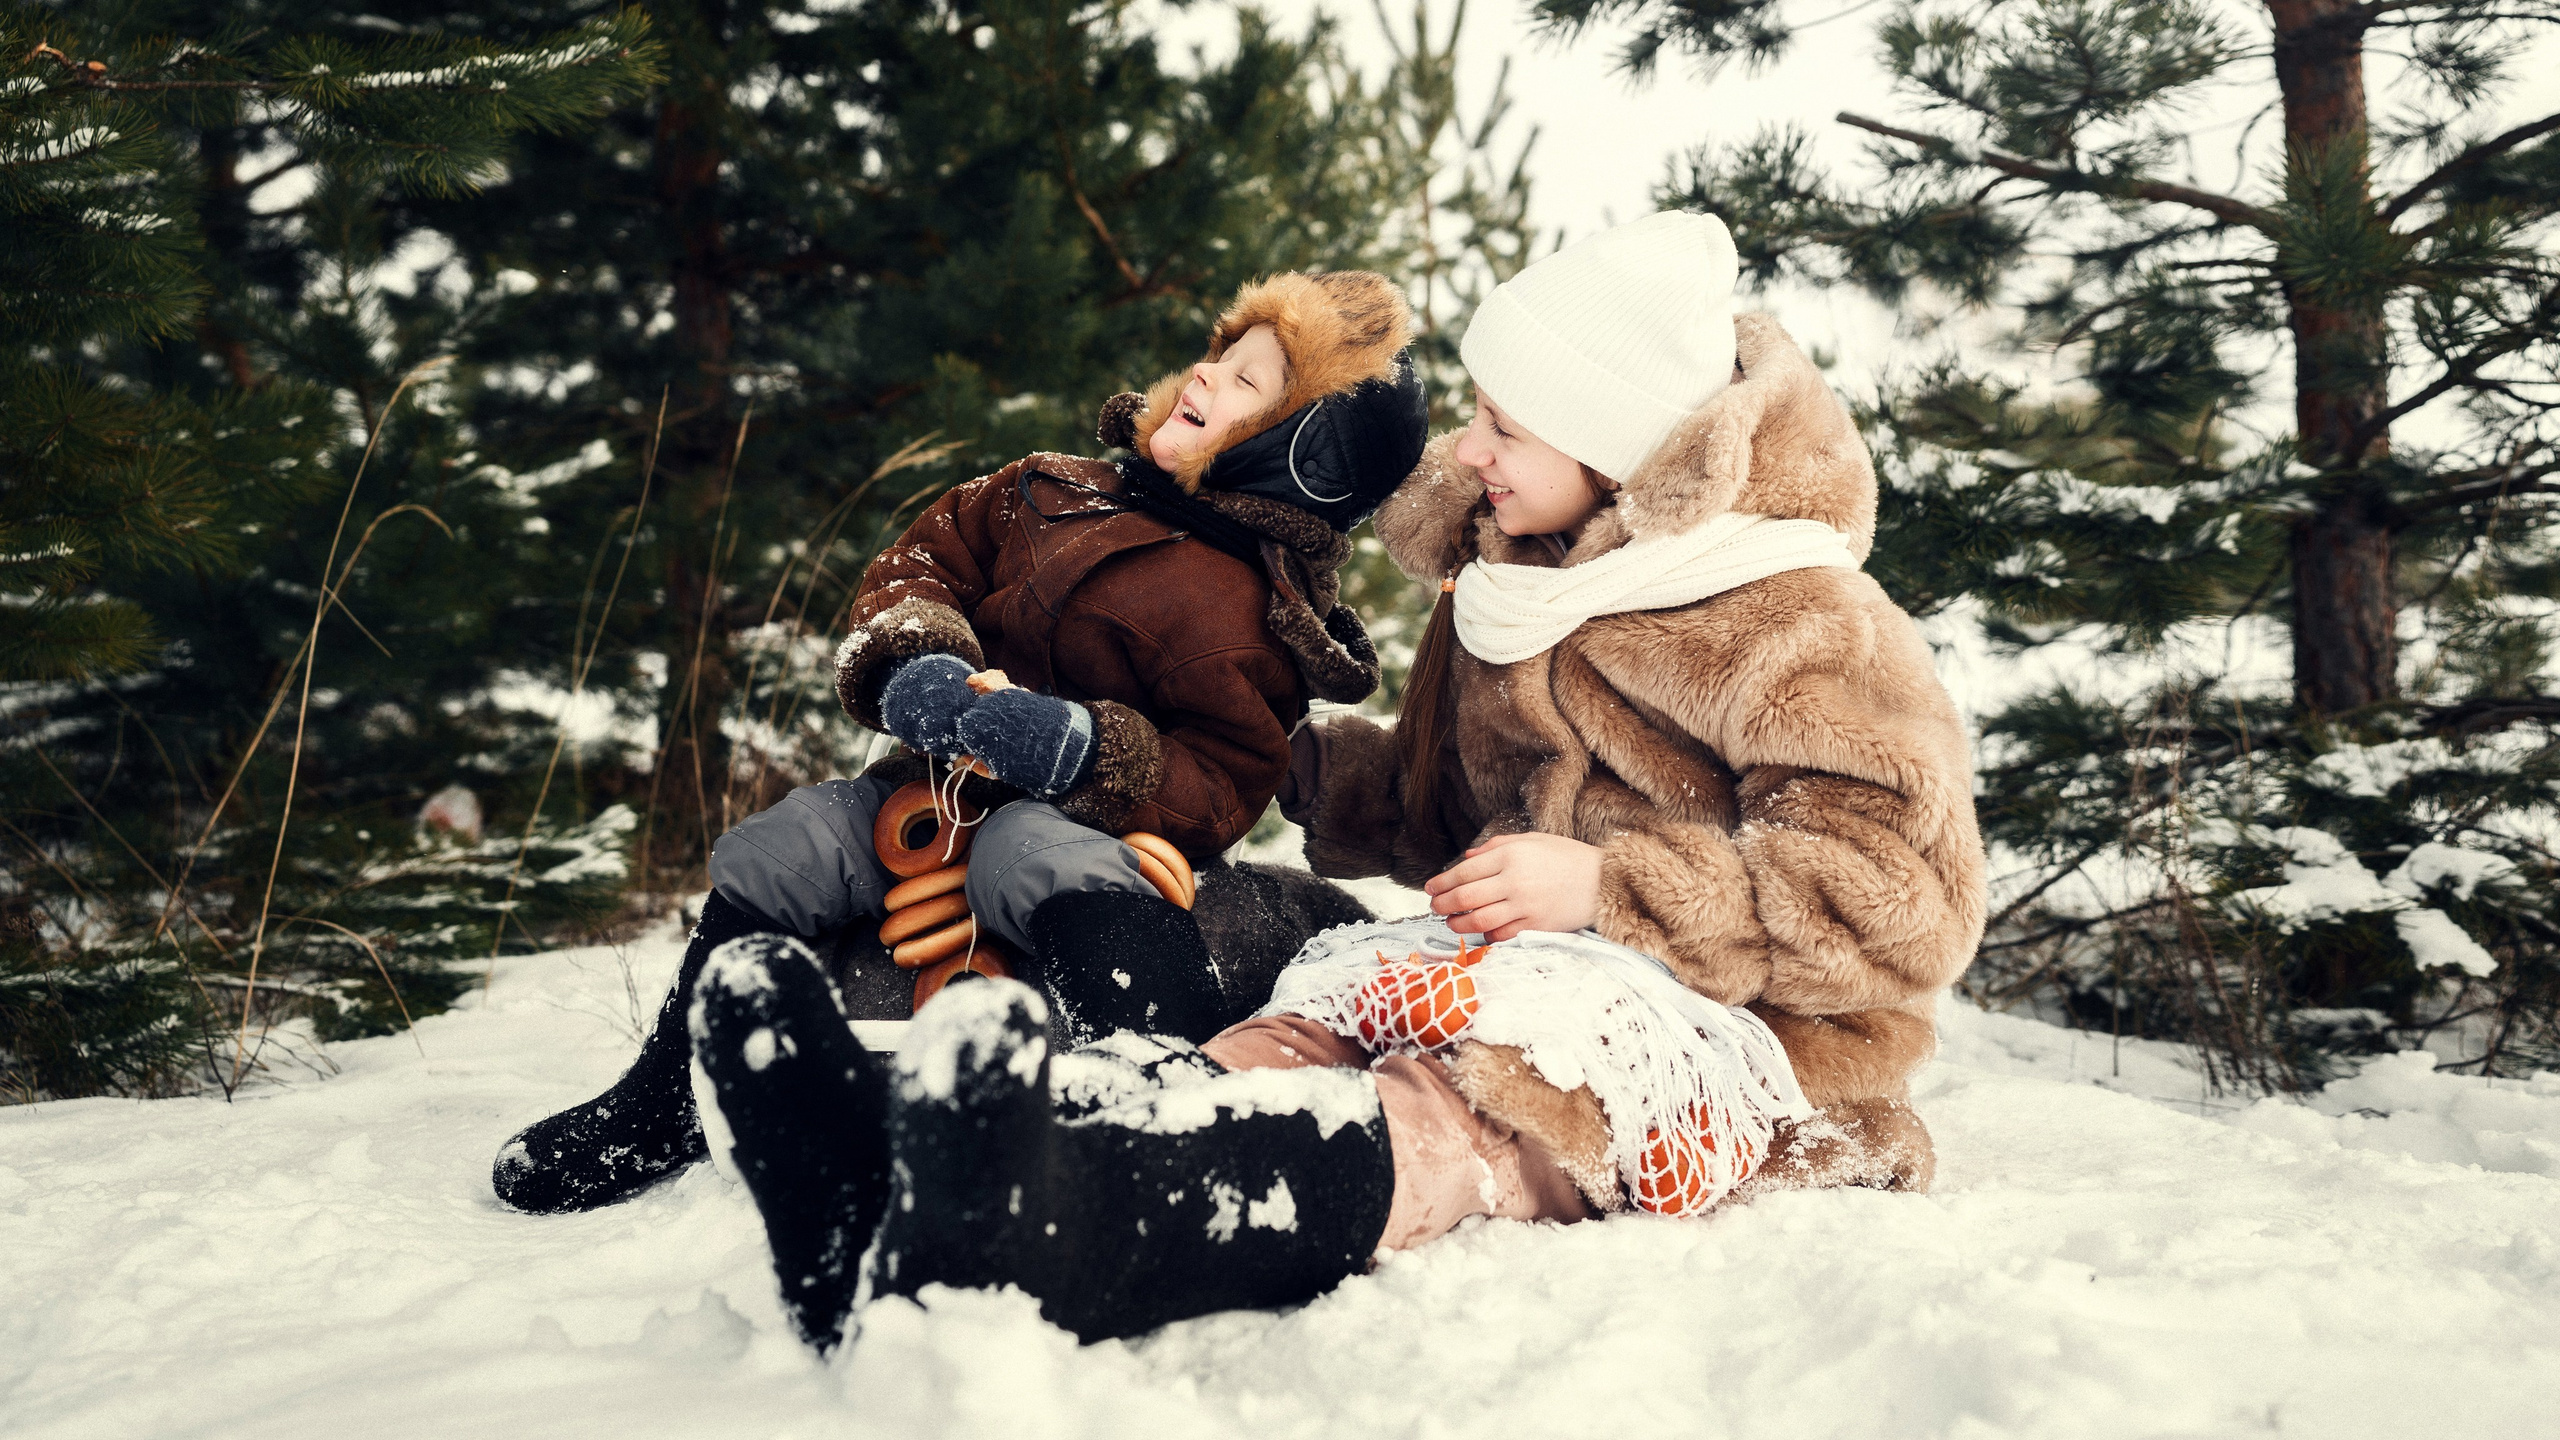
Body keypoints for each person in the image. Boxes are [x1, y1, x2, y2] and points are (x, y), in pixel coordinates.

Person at [685, 210, 1988, 1351]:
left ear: (1629, 456)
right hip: (1522, 958)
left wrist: (1609, 886)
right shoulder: (1517, 584)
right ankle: (913, 1159)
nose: (1469, 453)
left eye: (1507, 429)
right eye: (1480, 415)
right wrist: (1293, 760)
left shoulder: (1797, 620)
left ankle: (1088, 1229)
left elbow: (1899, 902)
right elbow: (1447, 815)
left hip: (1733, 1037)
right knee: (1279, 1037)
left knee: (1457, 1106)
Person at [490, 270, 1428, 1216]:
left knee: (1031, 854)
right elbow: (921, 560)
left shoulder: (1251, 615)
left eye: (1247, 382)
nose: (1204, 375)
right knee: (793, 842)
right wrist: (920, 659)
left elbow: (1226, 777)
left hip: (1083, 829)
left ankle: (1146, 1082)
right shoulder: (1046, 489)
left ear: (1298, 455)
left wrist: (1084, 750)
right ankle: (669, 1095)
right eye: (1219, 354)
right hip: (930, 791)